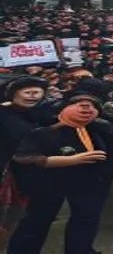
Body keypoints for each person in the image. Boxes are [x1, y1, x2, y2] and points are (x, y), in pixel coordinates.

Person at [6, 90, 113, 254]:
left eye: (92, 106)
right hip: (49, 183)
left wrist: (107, 174)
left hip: (90, 182)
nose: (85, 107)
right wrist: (70, 160)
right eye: (78, 104)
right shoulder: (44, 132)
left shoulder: (101, 131)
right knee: (37, 220)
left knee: (86, 218)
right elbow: (25, 157)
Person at [0, 76, 49, 242]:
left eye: (36, 92)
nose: (32, 96)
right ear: (13, 95)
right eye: (27, 92)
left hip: (24, 176)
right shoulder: (4, 114)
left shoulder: (40, 113)